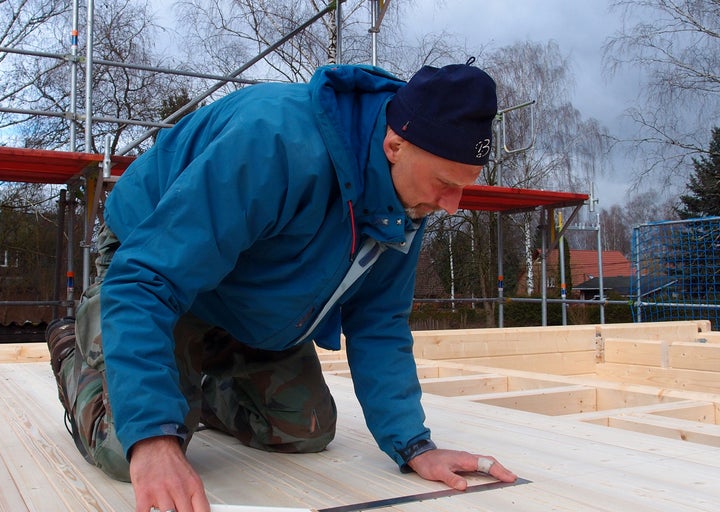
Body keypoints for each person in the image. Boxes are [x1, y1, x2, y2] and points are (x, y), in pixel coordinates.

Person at [46, 59, 517, 512]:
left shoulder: (408, 201)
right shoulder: (274, 143)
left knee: (305, 429)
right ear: (394, 145)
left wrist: (414, 445)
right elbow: (149, 276)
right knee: (127, 448)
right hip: (152, 261)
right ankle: (73, 346)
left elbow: (379, 320)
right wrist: (152, 436)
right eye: (444, 183)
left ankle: (190, 392)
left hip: (245, 299)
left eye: (464, 186)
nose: (453, 205)